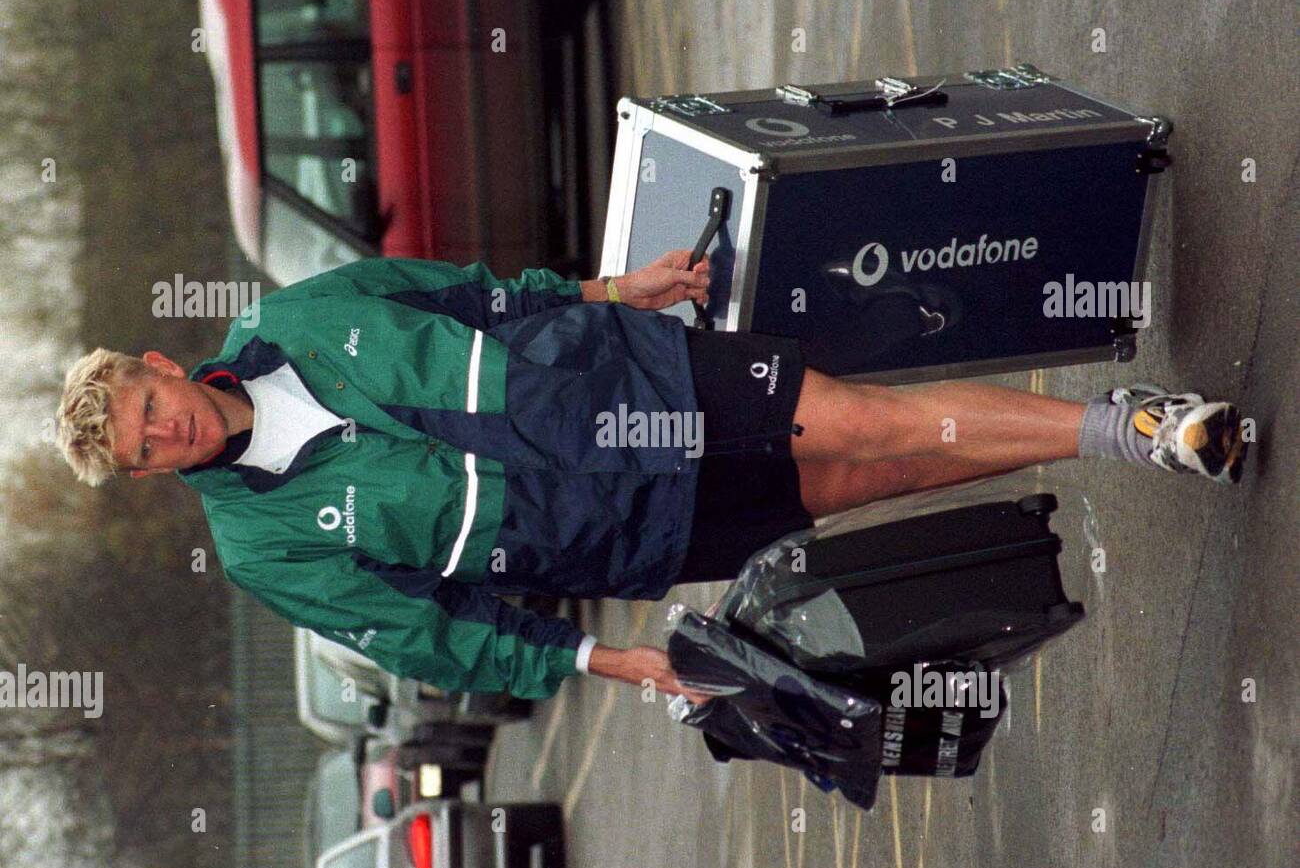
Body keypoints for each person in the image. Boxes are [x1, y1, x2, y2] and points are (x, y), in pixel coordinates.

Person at [55, 253, 1248, 703]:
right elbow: (433, 633)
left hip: (623, 369)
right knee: (873, 472)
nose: (168, 438)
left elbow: (472, 294)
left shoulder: (299, 311)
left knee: (859, 415)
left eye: (149, 412)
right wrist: (613, 658)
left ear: (162, 368)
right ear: (150, 471)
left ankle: (1124, 427)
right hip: (620, 527)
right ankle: (1098, 430)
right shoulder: (264, 549)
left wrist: (612, 292)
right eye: (146, 452)